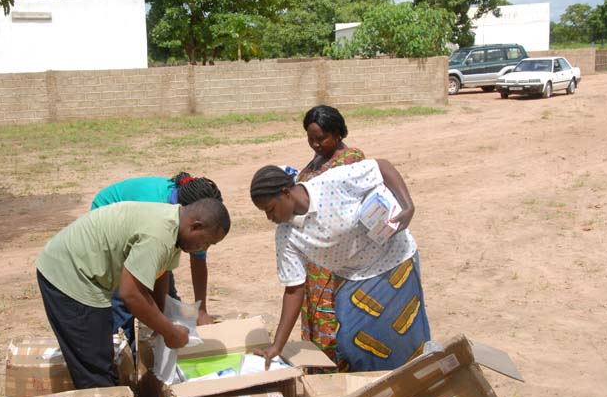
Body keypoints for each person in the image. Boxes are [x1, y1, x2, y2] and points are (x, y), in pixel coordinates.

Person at [250, 160, 430, 372]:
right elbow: (294, 289)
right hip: (351, 276)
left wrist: (407, 205)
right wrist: (277, 347)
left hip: (394, 261)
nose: (269, 217)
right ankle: (373, 389)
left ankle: (415, 381)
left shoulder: (332, 182)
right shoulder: (286, 236)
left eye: (270, 209)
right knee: (350, 343)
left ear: (285, 193)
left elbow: (381, 167)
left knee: (402, 336)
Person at [36, 198, 231, 389]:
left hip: (88, 275)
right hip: (69, 274)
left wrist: (161, 318)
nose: (203, 249)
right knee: (94, 367)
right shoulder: (159, 235)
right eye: (206, 242)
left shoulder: (174, 228)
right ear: (195, 226)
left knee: (101, 353)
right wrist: (169, 332)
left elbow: (160, 274)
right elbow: (130, 294)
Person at [91, 173, 222, 348]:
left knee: (165, 301)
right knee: (125, 300)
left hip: (149, 238)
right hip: (109, 227)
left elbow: (195, 260)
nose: (204, 247)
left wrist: (201, 310)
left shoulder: (192, 222)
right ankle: (124, 359)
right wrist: (165, 328)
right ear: (193, 220)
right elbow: (130, 291)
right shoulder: (157, 211)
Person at [296, 105, 365, 364]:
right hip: (313, 258)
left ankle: (337, 374)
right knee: (316, 314)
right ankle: (319, 370)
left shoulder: (351, 159)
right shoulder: (318, 160)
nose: (314, 144)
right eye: (310, 138)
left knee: (334, 318)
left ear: (337, 134)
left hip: (337, 259)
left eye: (320, 138)